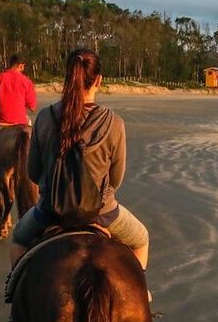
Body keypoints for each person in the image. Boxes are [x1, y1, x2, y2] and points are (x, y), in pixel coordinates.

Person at [9, 48, 149, 271]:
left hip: (49, 210)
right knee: (141, 239)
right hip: (102, 212)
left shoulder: (45, 117)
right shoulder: (114, 122)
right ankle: (142, 294)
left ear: (68, 77)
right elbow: (115, 179)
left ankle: (16, 293)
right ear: (99, 80)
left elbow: (33, 173)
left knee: (17, 238)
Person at [0, 54, 37, 172]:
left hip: (1, 120)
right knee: (33, 134)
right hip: (21, 121)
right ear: (21, 66)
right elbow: (33, 107)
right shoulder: (27, 82)